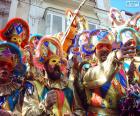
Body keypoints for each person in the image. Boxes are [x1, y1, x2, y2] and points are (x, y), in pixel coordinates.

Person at [22, 36, 85, 116]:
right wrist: (44, 105)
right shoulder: (33, 86)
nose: (57, 65)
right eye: (53, 61)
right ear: (44, 66)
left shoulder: (70, 85)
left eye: (59, 62)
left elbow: (80, 110)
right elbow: (26, 113)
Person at [83, 29, 136, 115]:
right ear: (94, 51)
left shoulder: (121, 70)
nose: (105, 49)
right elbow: (101, 73)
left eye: (108, 47)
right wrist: (116, 56)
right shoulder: (88, 69)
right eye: (100, 46)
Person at [0, 41, 33, 116]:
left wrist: (9, 114)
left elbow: (27, 112)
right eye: (1, 64)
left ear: (13, 68)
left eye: (9, 65)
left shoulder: (21, 88)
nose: (5, 68)